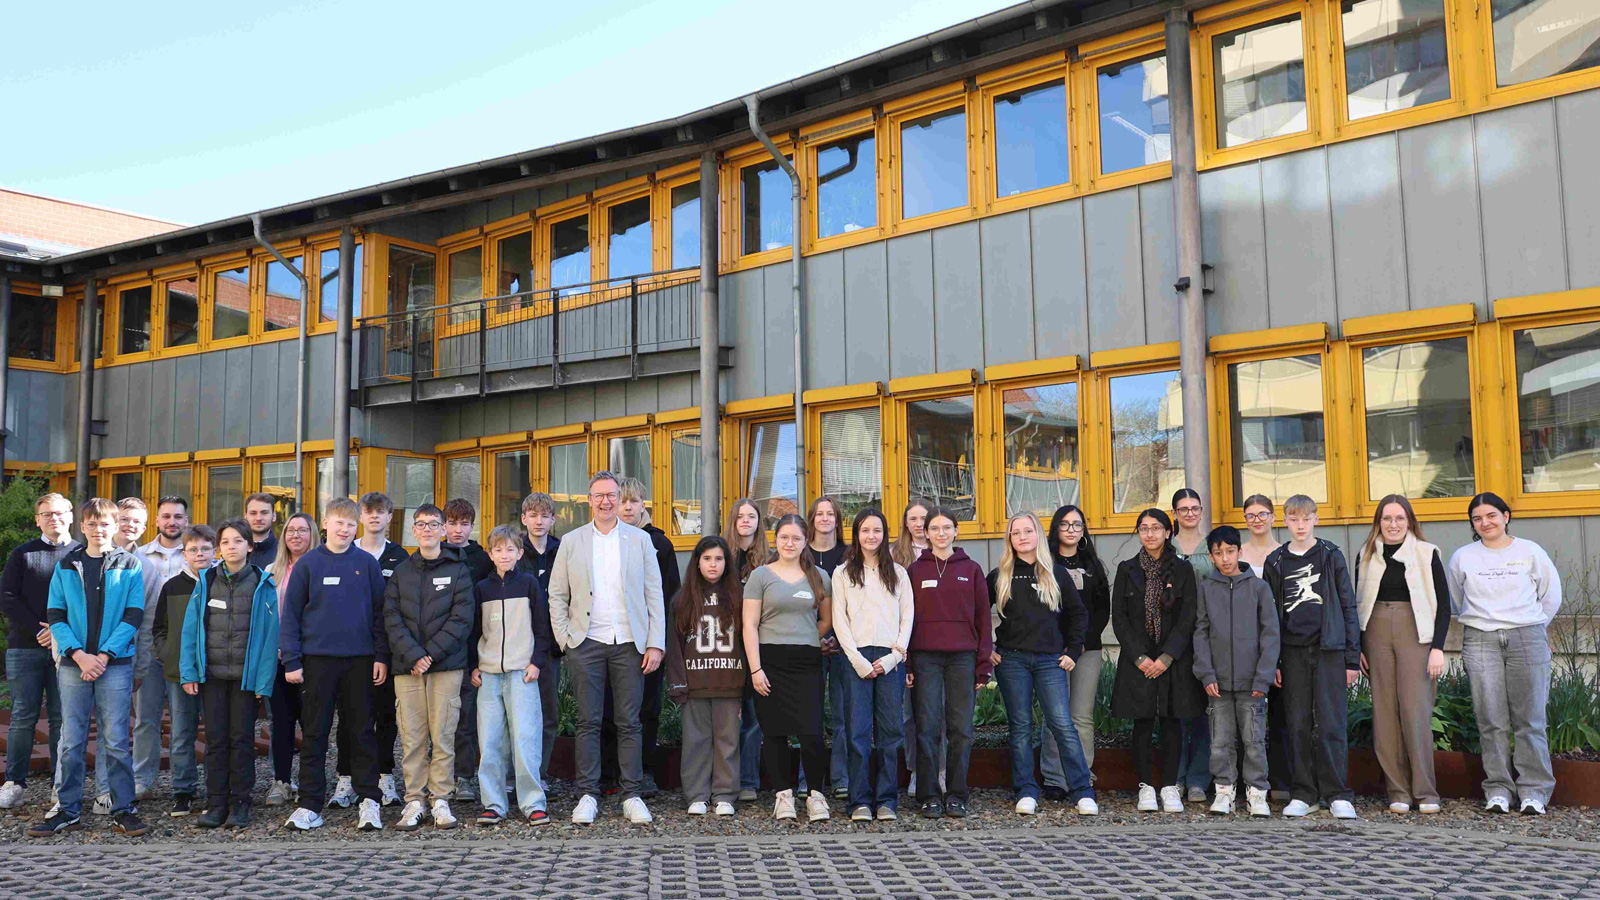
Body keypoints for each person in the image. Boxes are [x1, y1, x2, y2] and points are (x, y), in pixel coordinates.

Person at [547, 471, 665, 826]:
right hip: (587, 641)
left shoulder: (640, 540)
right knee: (588, 721)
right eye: (599, 495)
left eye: (611, 495)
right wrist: (567, 639)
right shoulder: (572, 541)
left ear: (619, 497)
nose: (606, 501)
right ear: (589, 499)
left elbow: (653, 593)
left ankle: (631, 794)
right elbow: (557, 594)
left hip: (630, 641)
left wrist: (655, 642)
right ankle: (587, 794)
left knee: (630, 722)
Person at [29, 498, 149, 838]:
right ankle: (67, 810)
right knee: (71, 740)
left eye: (105, 524)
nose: (99, 530)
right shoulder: (67, 565)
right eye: (92, 524)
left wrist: (105, 655)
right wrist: (80, 655)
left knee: (116, 741)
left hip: (115, 665)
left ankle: (123, 808)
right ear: (82, 527)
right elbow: (56, 614)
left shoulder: (130, 565)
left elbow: (133, 614)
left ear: (115, 527)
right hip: (73, 665)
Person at [279, 497, 390, 832]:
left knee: (361, 732)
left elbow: (380, 615)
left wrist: (382, 656)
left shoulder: (367, 564)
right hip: (316, 663)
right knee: (314, 733)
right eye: (338, 522)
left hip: (360, 662)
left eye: (350, 524)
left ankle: (369, 800)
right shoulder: (308, 564)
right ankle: (310, 804)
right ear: (325, 524)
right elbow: (291, 617)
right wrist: (292, 660)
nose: (344, 529)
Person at [1449, 492, 1562, 816]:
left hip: (1526, 637)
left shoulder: (1530, 552)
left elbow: (1550, 596)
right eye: (1477, 518)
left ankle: (1534, 791)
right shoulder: (1463, 557)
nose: (1485, 523)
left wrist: (1531, 626)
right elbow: (1459, 599)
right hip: (1480, 640)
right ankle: (1498, 789)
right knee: (1491, 720)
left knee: (1531, 720)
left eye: (1491, 516)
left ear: (1506, 516)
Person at [988, 512, 1096, 817]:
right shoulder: (999, 576)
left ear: (1037, 535)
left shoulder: (1057, 573)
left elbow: (1079, 615)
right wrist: (987, 649)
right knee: (1021, 727)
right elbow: (974, 612)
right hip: (1011, 661)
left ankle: (1082, 790)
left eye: (1028, 531)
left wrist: (1073, 652)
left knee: (1062, 724)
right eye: (1016, 532)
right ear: (1010, 539)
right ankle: (1026, 790)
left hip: (1051, 661)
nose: (1022, 537)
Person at [1263, 494, 1360, 820]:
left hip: (1328, 650)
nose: (1300, 525)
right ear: (1285, 521)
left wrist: (1351, 657)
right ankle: (1304, 792)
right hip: (1291, 652)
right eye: (1293, 519)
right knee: (1297, 723)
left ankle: (1337, 793)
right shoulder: (1275, 562)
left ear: (1316, 519)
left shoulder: (1330, 555)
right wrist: (1273, 661)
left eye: (1306, 518)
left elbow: (1348, 605)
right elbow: (1269, 616)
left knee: (1332, 723)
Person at [179, 518, 279, 829]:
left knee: (242, 740)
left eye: (238, 541)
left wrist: (263, 681)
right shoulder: (206, 581)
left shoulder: (263, 582)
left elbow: (269, 636)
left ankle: (240, 803)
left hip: (246, 679)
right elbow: (190, 630)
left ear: (250, 546)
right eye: (225, 542)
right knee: (216, 740)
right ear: (219, 548)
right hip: (213, 677)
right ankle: (216, 802)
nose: (231, 546)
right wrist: (189, 673)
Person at [1357, 494, 1451, 815]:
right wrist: (1358, 646)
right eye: (1387, 519)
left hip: (1416, 631)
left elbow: (1444, 605)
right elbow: (1358, 602)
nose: (1393, 524)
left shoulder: (1427, 554)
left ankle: (1426, 792)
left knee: (1415, 710)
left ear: (1409, 521)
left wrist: (1437, 647)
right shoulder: (1367, 555)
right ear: (1378, 522)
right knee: (1385, 713)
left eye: (1399, 518)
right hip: (1376, 631)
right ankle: (1397, 791)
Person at [383, 503, 474, 830]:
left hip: (446, 666)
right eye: (420, 525)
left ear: (441, 530)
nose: (426, 530)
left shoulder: (458, 570)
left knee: (443, 733)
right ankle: (414, 800)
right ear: (413, 530)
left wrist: (430, 655)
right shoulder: (401, 572)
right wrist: (413, 655)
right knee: (412, 736)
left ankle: (441, 800)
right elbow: (391, 618)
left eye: (433, 524)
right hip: (407, 668)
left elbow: (461, 619)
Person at [1110, 508, 1203, 814]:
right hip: (1138, 658)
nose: (1149, 534)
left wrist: (1166, 657)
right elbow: (1119, 618)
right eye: (1143, 528)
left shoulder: (1182, 569)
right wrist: (1140, 657)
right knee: (1143, 721)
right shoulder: (1127, 569)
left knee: (1173, 721)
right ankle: (1146, 787)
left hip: (1172, 659)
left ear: (1167, 532)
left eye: (1156, 528)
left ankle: (1170, 786)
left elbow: (1188, 616)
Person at [743, 514, 833, 822]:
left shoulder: (819, 576)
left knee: (811, 733)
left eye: (796, 538)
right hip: (769, 663)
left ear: (805, 541)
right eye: (784, 537)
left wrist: (807, 638)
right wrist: (755, 669)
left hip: (807, 663)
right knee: (775, 733)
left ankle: (816, 797)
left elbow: (826, 620)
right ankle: (783, 796)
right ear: (775, 539)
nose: (789, 543)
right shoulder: (761, 576)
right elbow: (749, 625)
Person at [906, 507, 990, 819]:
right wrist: (910, 664)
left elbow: (983, 621)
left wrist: (983, 665)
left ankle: (956, 794)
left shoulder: (972, 569)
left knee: (961, 729)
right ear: (925, 533)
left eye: (947, 528)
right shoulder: (916, 570)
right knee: (927, 726)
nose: (941, 533)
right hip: (926, 657)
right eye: (935, 528)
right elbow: (908, 620)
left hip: (962, 658)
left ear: (956, 531)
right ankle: (929, 795)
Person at [0, 493, 80, 813]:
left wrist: (60, 631)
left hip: (70, 648)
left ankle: (60, 785)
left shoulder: (82, 553)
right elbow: (6, 597)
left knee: (64, 716)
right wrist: (39, 629)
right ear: (37, 520)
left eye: (59, 513)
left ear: (70, 516)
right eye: (46, 514)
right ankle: (14, 784)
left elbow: (88, 601)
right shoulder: (22, 554)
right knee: (23, 716)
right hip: (25, 646)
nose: (53, 518)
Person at [831, 508, 912, 822]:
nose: (871, 536)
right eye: (865, 530)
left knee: (891, 733)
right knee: (858, 733)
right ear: (856, 534)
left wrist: (895, 657)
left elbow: (907, 617)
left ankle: (887, 800)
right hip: (856, 659)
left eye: (877, 530)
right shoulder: (842, 573)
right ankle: (859, 801)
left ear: (884, 534)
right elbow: (840, 620)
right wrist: (857, 660)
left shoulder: (899, 573)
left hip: (890, 659)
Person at [472, 524, 557, 826]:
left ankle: (533, 802)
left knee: (525, 738)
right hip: (490, 674)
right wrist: (475, 666)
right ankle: (493, 803)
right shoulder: (482, 588)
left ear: (520, 553)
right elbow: (474, 632)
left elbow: (542, 627)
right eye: (498, 550)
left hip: (523, 673)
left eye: (510, 549)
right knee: (491, 740)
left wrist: (536, 662)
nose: (504, 554)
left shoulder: (530, 585)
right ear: (491, 554)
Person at [1192, 525, 1279, 818]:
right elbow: (1200, 632)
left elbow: (1270, 635)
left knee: (1254, 740)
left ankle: (1257, 793)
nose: (1225, 558)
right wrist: (1206, 673)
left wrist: (1263, 676)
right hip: (1217, 683)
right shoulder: (1206, 587)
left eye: (1230, 551)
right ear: (1212, 556)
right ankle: (1224, 791)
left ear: (1240, 552)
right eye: (1219, 553)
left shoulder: (1259, 587)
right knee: (1220, 741)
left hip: (1251, 682)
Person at [606, 476, 680, 798]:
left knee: (647, 708)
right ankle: (613, 774)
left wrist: (659, 643)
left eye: (633, 501)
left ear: (643, 505)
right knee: (612, 708)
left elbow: (668, 598)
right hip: (612, 639)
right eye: (622, 501)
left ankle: (645, 771)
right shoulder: (605, 541)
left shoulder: (659, 544)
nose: (626, 507)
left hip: (648, 642)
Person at [665, 536, 744, 817]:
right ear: (697, 562)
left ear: (727, 562)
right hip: (695, 683)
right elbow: (674, 646)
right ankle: (697, 794)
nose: (713, 564)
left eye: (719, 559)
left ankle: (724, 793)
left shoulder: (739, 596)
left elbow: (748, 641)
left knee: (728, 741)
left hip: (730, 682)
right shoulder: (682, 599)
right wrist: (678, 683)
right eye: (707, 558)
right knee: (696, 741)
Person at [1041, 504, 1109, 801]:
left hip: (1086, 650)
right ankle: (1054, 778)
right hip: (1052, 651)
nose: (1071, 530)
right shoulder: (1043, 564)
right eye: (1065, 524)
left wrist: (1080, 643)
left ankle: (1083, 776)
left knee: (1081, 716)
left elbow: (1101, 611)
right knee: (1054, 716)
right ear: (1056, 529)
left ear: (1084, 531)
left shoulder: (1093, 567)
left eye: (1077, 525)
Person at [148, 524, 216, 819]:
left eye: (205, 549)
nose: (199, 554)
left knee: (217, 733)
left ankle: (217, 790)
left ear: (214, 551)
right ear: (184, 554)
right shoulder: (172, 586)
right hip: (179, 674)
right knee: (181, 734)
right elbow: (159, 628)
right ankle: (183, 792)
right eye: (193, 550)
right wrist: (167, 655)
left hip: (216, 673)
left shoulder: (222, 583)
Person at [129, 496, 190, 806]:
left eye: (178, 516)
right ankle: (142, 779)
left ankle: (182, 786)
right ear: (156, 521)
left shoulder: (196, 555)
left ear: (186, 520)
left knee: (182, 720)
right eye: (166, 516)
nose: (172, 522)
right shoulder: (139, 556)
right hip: (147, 648)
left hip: (181, 652)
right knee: (145, 719)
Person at [353, 491, 409, 808]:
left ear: (390, 517)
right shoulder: (346, 551)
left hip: (387, 651)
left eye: (381, 511)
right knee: (352, 718)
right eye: (369, 511)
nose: (374, 516)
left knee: (386, 716)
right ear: (361, 516)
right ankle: (348, 777)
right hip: (349, 650)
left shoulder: (400, 557)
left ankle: (386, 776)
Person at [1239, 493, 1293, 801]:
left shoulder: (1285, 554)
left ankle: (1282, 779)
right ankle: (1248, 781)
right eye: (1250, 515)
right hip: (1245, 644)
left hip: (1280, 642)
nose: (1257, 520)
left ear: (1273, 517)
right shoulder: (1238, 554)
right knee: (1246, 718)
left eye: (1262, 514)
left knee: (1282, 714)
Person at [264, 512, 315, 807]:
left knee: (312, 724)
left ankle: (310, 782)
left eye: (303, 530)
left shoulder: (319, 566)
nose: (296, 535)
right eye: (290, 531)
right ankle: (281, 781)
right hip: (279, 659)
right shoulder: (273, 570)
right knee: (281, 723)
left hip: (311, 658)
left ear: (313, 535)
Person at [443, 497, 491, 803]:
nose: (457, 530)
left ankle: (464, 776)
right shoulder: (431, 554)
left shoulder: (482, 559)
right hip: (441, 650)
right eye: (452, 523)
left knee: (468, 718)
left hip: (474, 649)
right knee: (441, 719)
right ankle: (440, 776)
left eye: (464, 524)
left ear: (472, 526)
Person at [515, 492, 563, 788]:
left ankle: (540, 774)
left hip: (553, 648)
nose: (539, 521)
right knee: (517, 716)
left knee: (548, 712)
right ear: (524, 519)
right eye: (533, 515)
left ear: (553, 520)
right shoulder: (515, 551)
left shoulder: (563, 550)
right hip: (518, 645)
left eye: (544, 516)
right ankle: (515, 774)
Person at [1170, 488, 1213, 804]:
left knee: (1200, 711)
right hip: (1171, 642)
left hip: (1204, 637)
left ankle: (1199, 778)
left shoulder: (1212, 548)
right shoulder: (1165, 547)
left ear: (1201, 511)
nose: (1189, 513)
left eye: (1194, 508)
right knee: (1175, 712)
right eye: (1182, 508)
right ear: (1174, 513)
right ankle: (1176, 777)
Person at [726, 498, 769, 803]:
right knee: (728, 716)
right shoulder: (721, 555)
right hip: (726, 646)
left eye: (751, 516)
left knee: (753, 717)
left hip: (758, 644)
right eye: (740, 516)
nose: (745, 520)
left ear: (758, 521)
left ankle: (748, 781)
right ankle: (724, 780)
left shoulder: (769, 559)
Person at [807, 496, 849, 800]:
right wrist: (815, 636)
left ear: (838, 519)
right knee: (808, 714)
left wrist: (839, 636)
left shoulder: (849, 555)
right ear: (812, 519)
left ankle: (841, 777)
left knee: (843, 715)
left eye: (829, 513)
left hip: (846, 644)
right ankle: (808, 779)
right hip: (807, 642)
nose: (824, 518)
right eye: (819, 514)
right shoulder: (800, 553)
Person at [245, 493, 280, 569]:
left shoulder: (283, 552)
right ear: (246, 517)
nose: (258, 518)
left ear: (274, 516)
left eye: (264, 513)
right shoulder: (237, 550)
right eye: (253, 513)